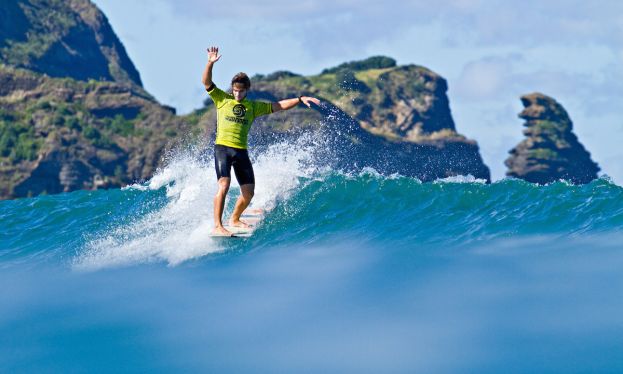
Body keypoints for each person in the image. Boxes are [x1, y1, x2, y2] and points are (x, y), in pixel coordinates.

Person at [202, 46, 321, 236]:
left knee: (248, 193)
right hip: (223, 149)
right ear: (231, 90)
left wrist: (299, 99)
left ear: (247, 90)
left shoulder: (253, 107)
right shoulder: (222, 99)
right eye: (234, 91)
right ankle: (218, 225)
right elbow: (206, 82)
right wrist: (210, 63)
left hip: (241, 151)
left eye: (241, 92)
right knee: (223, 185)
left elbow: (279, 106)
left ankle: (234, 218)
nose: (237, 95)